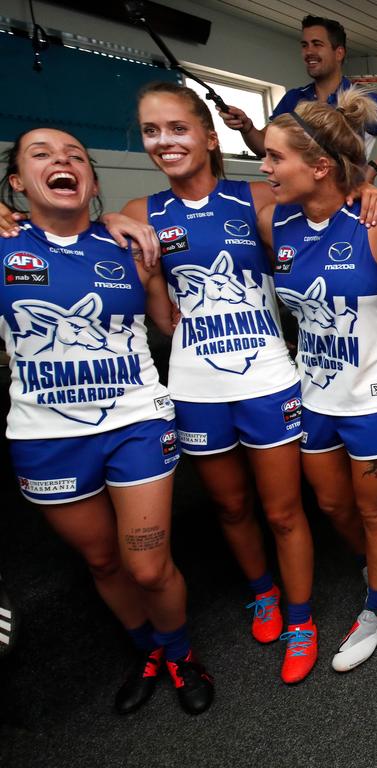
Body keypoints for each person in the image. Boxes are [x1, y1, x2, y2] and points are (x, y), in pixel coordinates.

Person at [0, 127, 213, 713]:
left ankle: (181, 654)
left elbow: (171, 322)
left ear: (91, 182)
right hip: (45, 437)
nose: (62, 162)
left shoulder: (129, 246)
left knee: (147, 566)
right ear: (18, 183)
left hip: (136, 422)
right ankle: (149, 649)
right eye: (41, 156)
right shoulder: (3, 246)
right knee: (101, 560)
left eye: (75, 156)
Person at [124, 82, 320, 684]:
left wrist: (363, 190)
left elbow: (323, 203)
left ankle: (301, 617)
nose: (165, 141)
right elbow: (161, 314)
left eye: (178, 128)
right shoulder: (139, 214)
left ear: (210, 137)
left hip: (266, 379)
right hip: (196, 386)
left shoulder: (258, 197)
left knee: (284, 511)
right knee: (231, 507)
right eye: (152, 131)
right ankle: (261, 590)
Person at [258, 93, 377, 672]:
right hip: (313, 397)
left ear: (319, 165)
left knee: (375, 513)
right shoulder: (277, 221)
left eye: (275, 158)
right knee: (332, 505)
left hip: (373, 397)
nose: (265, 167)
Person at [218, 15, 377, 174]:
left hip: (347, 200)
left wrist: (372, 169)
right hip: (303, 201)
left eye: (317, 44)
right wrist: (247, 127)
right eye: (304, 45)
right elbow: (264, 147)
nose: (309, 52)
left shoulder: (363, 100)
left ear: (339, 53)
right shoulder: (293, 99)